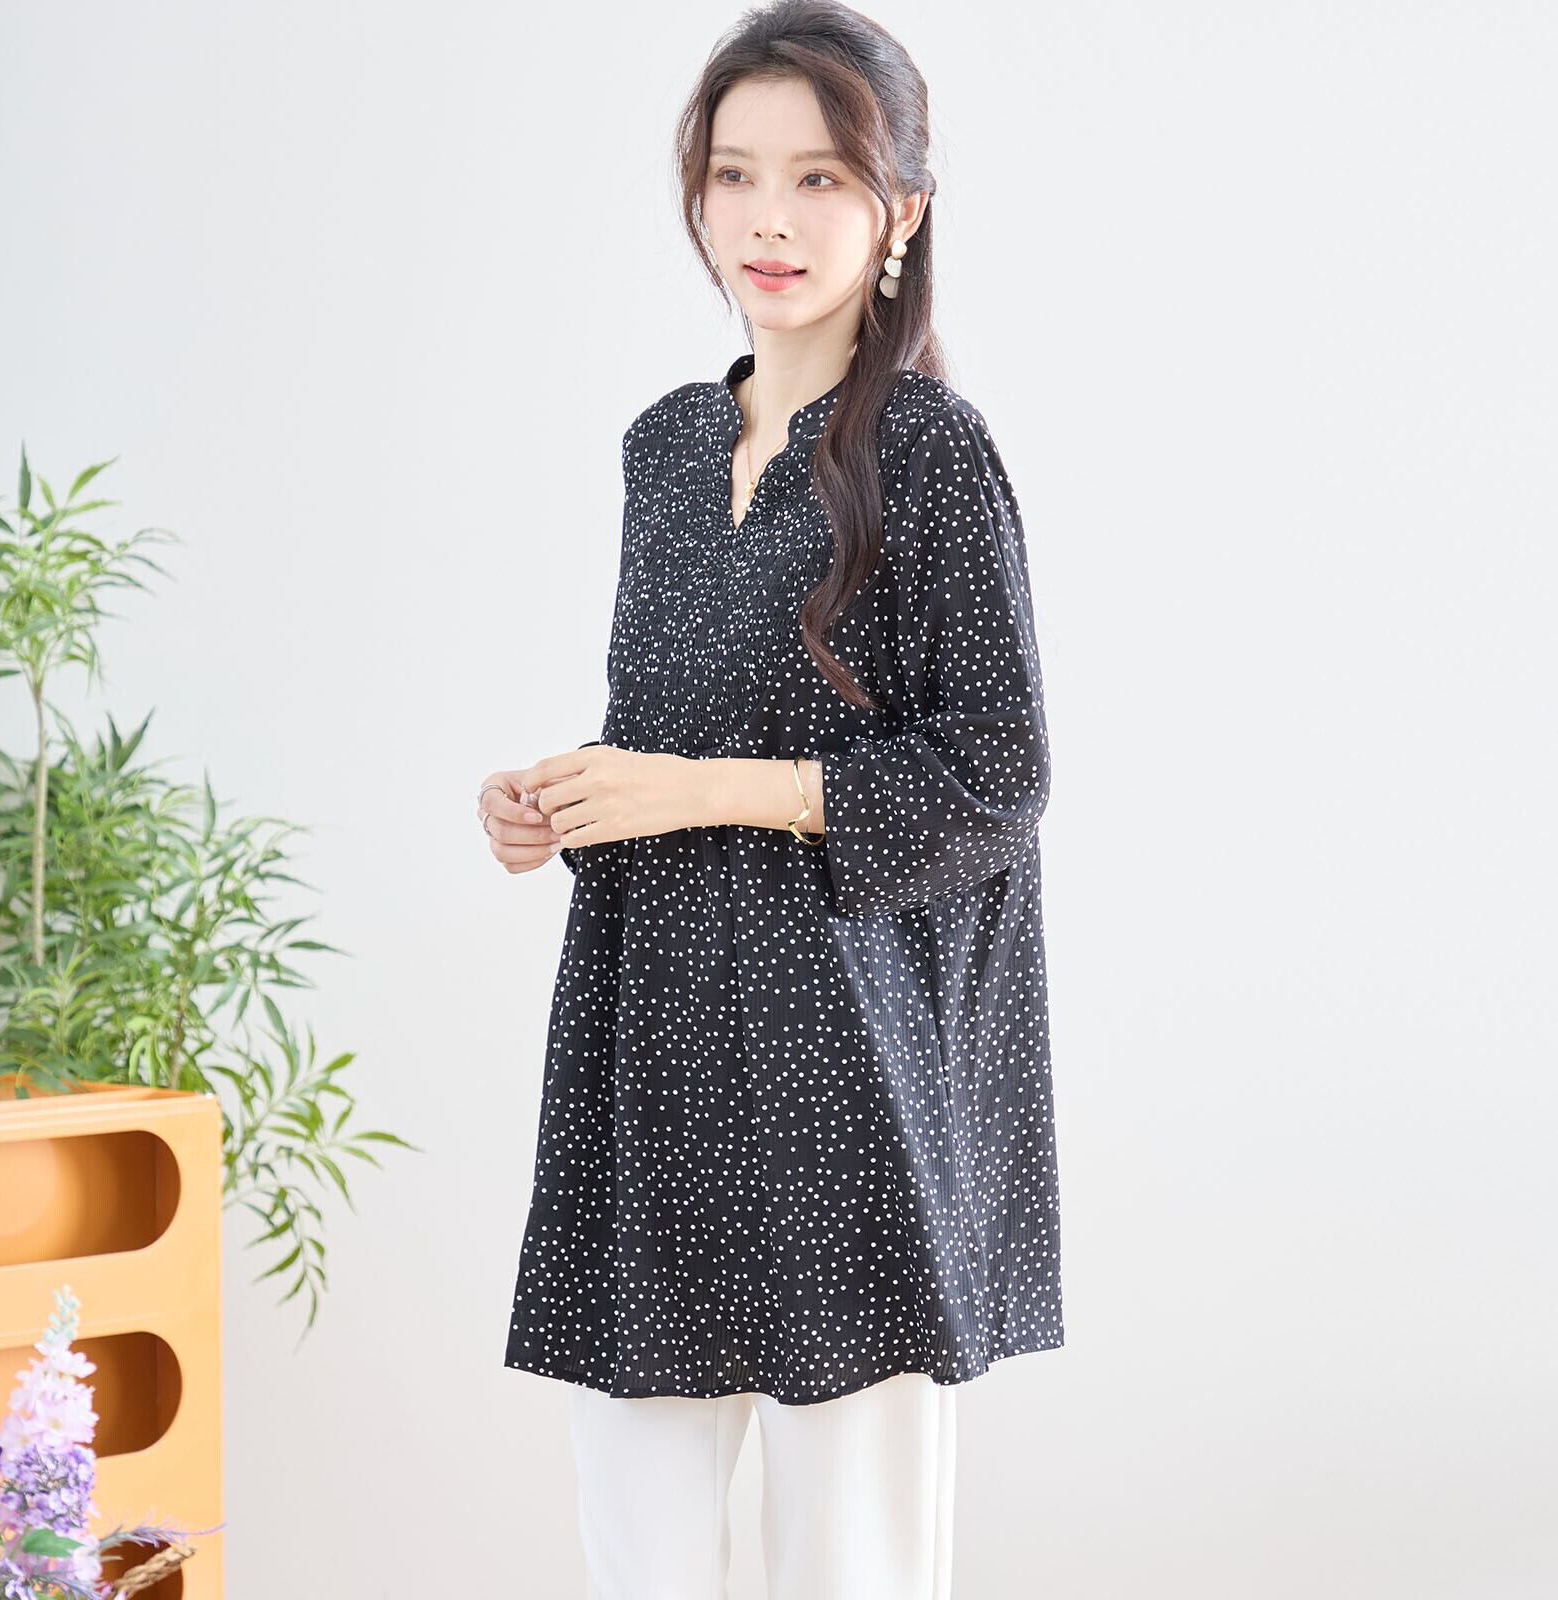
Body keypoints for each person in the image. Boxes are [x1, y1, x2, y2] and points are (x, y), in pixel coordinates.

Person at [477, 4, 1061, 1595]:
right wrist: (557, 802)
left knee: (849, 1563)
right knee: (639, 1552)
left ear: (899, 209)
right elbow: (668, 737)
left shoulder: (931, 452)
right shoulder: (666, 448)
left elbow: (998, 773)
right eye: (734, 174)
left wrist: (691, 789)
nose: (769, 219)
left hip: (844, 1083)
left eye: (819, 176)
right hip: (652, 1060)